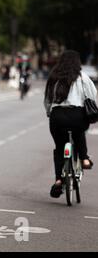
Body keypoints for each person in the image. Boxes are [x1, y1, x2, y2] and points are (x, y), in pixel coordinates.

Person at [44, 50, 97, 198]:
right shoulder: (82, 77)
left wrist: (50, 112)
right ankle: (85, 158)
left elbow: (47, 100)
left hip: (57, 117)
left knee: (60, 147)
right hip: (77, 115)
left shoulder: (54, 77)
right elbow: (93, 96)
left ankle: (59, 181)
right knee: (79, 132)